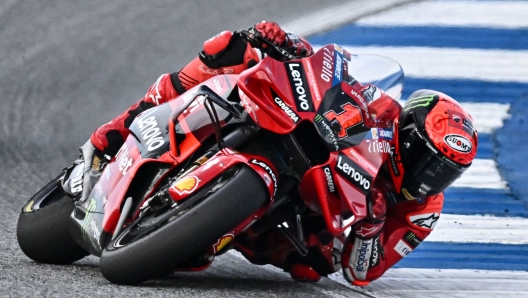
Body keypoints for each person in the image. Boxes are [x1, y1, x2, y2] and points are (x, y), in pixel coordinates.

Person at [83, 21, 478, 286]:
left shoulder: (422, 211)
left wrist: (372, 226)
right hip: (299, 135)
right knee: (231, 51)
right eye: (428, 160)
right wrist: (291, 46)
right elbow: (333, 74)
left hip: (319, 210)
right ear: (407, 133)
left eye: (444, 172)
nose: (429, 178)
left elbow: (363, 271)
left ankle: (199, 231)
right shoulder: (384, 111)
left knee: (311, 267)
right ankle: (113, 133)